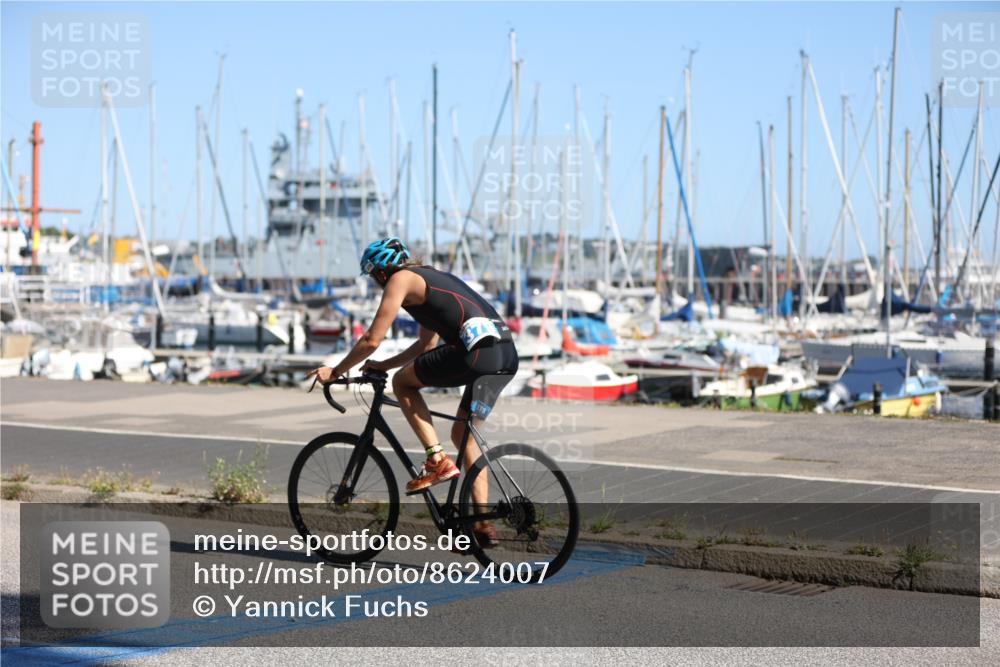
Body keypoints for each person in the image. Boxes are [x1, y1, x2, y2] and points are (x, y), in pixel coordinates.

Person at [308, 237, 518, 546]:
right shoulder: (430, 276)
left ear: (380, 271)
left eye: (374, 277)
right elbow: (426, 345)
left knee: (403, 384)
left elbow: (371, 339)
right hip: (504, 356)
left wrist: (336, 371)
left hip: (475, 354)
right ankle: (483, 524)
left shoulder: (400, 279)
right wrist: (384, 365)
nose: (378, 284)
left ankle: (436, 460)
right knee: (464, 437)